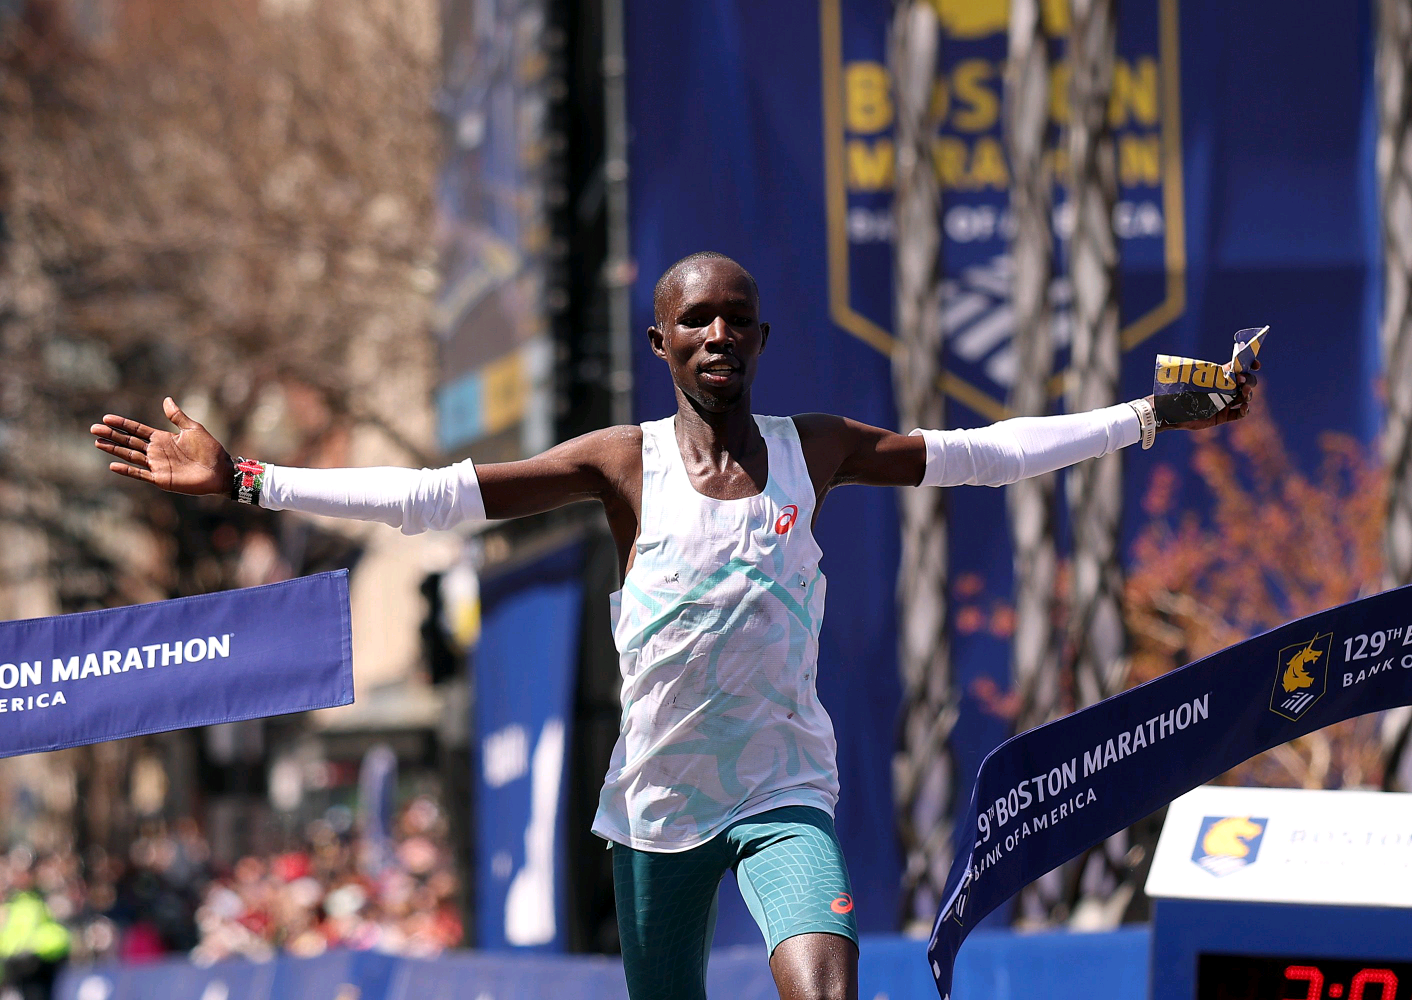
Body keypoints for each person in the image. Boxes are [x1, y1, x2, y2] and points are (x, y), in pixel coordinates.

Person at [90, 252, 1256, 1000]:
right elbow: (436, 498)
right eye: (693, 320)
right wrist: (248, 479)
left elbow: (987, 456)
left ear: (758, 340)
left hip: (781, 794)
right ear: (663, 345)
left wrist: (1150, 413)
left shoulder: (820, 448)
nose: (715, 336)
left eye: (735, 320)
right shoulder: (619, 467)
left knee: (827, 991)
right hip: (655, 817)